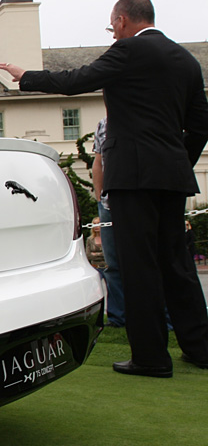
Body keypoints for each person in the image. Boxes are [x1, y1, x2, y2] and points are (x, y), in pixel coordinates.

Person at [0, 0, 208, 377]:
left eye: (113, 27)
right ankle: (200, 347)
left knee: (138, 266)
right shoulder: (187, 61)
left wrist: (25, 76)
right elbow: (200, 125)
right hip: (172, 177)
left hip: (132, 177)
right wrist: (177, 163)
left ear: (123, 20)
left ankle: (150, 357)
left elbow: (76, 80)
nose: (113, 33)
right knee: (177, 262)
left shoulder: (127, 52)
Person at [92, 117, 125, 327]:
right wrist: (99, 197)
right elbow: (98, 162)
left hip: (137, 199)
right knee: (113, 264)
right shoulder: (104, 124)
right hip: (108, 204)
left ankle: (165, 318)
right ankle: (118, 317)